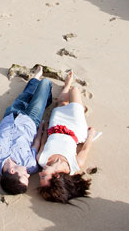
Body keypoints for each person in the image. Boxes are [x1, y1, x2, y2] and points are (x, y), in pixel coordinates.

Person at [0, 66, 52, 195]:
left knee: (25, 96)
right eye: (28, 178)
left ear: (12, 172)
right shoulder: (30, 165)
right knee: (45, 84)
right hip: (32, 121)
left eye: (24, 177)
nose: (28, 176)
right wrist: (40, 130)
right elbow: (36, 144)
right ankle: (46, 98)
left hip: (11, 117)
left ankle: (35, 78)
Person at [36, 71, 95, 203]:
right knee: (75, 90)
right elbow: (85, 149)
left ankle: (67, 84)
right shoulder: (75, 165)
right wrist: (90, 135)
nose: (40, 173)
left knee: (61, 103)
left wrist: (44, 130)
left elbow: (44, 142)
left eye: (40, 176)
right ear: (56, 176)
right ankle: (72, 91)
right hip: (75, 128)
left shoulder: (41, 159)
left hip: (55, 126)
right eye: (44, 176)